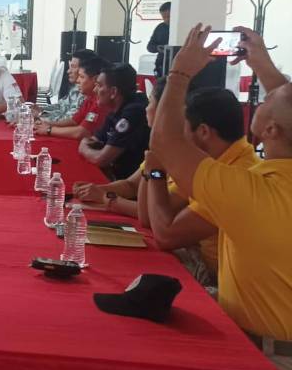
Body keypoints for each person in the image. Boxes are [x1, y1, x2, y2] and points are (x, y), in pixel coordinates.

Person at [148, 23, 292, 348]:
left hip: (267, 350)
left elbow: (166, 142)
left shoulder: (253, 191)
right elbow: (287, 109)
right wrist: (263, 64)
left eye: (267, 99)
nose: (263, 98)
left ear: (271, 130)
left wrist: (180, 74)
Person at [144, 86, 258, 288]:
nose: (180, 136)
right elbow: (147, 217)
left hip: (218, 282)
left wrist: (156, 173)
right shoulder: (216, 160)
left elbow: (165, 236)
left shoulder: (238, 173)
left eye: (183, 128)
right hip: (201, 262)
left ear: (203, 131)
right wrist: (152, 168)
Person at [71, 76, 164, 218]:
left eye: (150, 102)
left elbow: (155, 215)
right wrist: (95, 190)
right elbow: (131, 185)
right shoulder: (160, 148)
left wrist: (104, 197)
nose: (146, 108)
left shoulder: (134, 112)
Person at [78, 63, 149, 179]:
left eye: (99, 85)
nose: (95, 90)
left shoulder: (133, 113)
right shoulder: (117, 107)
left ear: (113, 92)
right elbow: (95, 140)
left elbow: (101, 159)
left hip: (130, 183)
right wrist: (89, 147)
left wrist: (83, 148)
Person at [35, 56, 108, 140]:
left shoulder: (100, 101)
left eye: (82, 77)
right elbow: (74, 121)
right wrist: (47, 124)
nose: (78, 80)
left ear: (95, 80)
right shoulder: (90, 97)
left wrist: (49, 130)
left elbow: (82, 132)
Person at [40, 48, 96, 121]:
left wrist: (41, 116)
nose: (68, 71)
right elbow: (62, 107)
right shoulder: (75, 87)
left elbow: (70, 120)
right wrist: (41, 110)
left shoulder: (86, 95)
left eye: (73, 67)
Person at [146, 2, 171, 77]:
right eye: (164, 17)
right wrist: (157, 48)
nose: (166, 20)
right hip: (161, 65)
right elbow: (149, 47)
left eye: (169, 16)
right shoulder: (160, 27)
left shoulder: (182, 27)